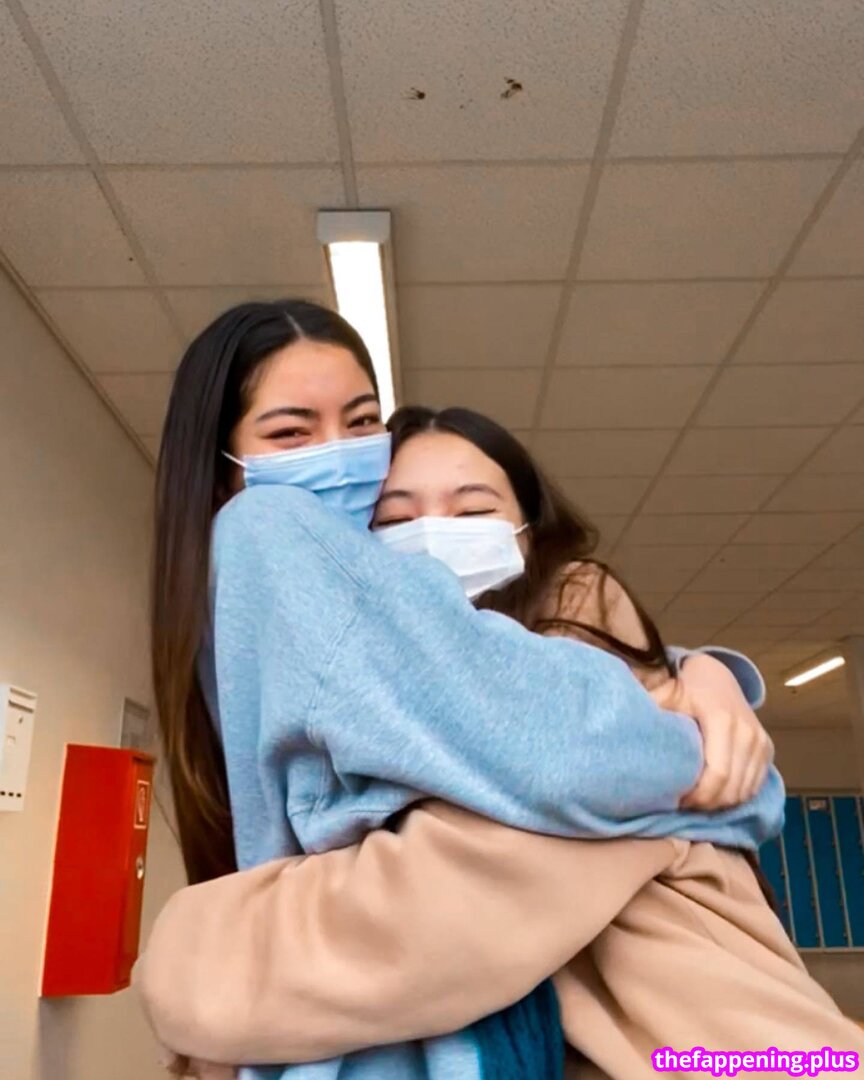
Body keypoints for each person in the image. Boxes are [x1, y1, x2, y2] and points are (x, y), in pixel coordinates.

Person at [148, 299, 782, 1080]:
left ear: (529, 528)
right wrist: (698, 747)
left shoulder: (557, 603)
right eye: (290, 434)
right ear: (220, 468)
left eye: (362, 422)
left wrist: (704, 677)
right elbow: (568, 769)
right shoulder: (271, 539)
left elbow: (522, 709)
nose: (339, 456)